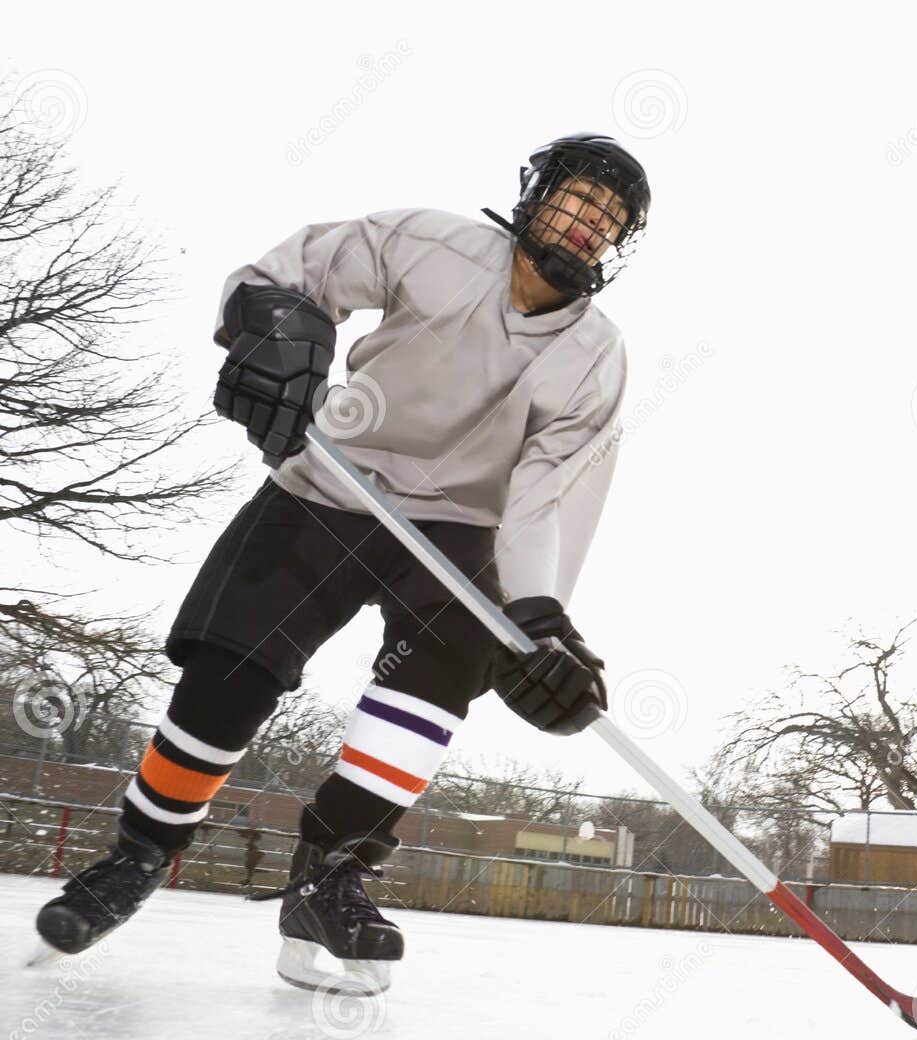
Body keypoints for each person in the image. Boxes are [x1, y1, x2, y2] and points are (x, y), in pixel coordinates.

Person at [33, 134, 650, 995]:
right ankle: (138, 855)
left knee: (427, 695)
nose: (589, 224)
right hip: (328, 480)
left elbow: (546, 495)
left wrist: (536, 617)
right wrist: (276, 331)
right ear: (536, 196)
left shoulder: (597, 357)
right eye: (579, 200)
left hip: (456, 534)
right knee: (231, 672)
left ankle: (329, 882)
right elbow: (289, 276)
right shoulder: (430, 242)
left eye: (610, 220)